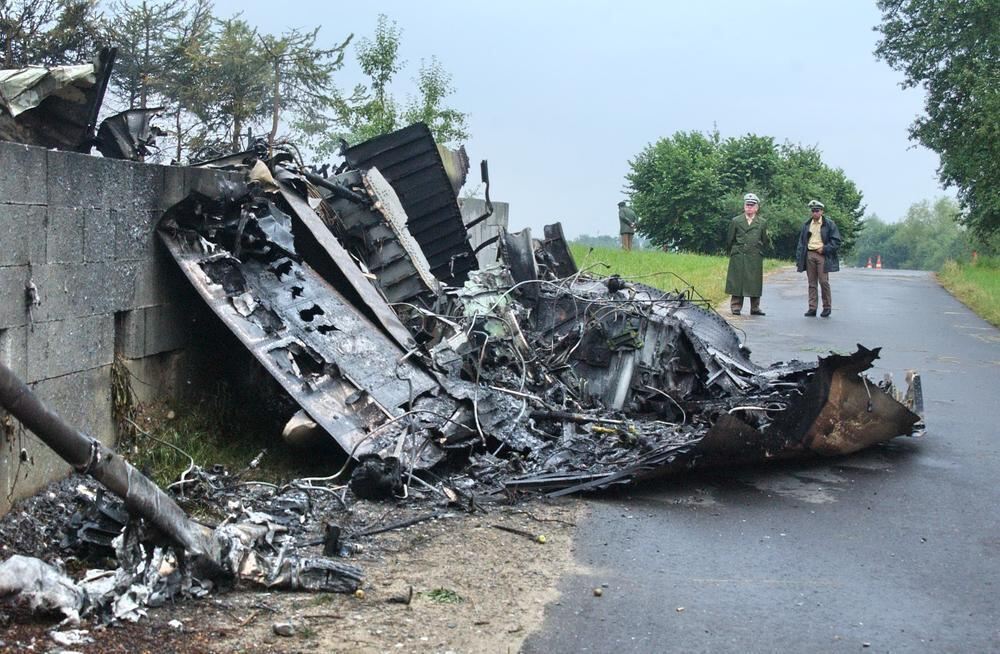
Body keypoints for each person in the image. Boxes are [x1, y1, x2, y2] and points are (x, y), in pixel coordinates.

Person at [795, 200, 842, 317]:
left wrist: (825, 249)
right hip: (809, 254)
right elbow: (801, 243)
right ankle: (812, 308)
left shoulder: (829, 224)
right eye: (813, 211)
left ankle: (827, 307)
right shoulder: (807, 225)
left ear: (822, 211)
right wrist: (799, 258)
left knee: (823, 282)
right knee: (812, 283)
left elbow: (836, 241)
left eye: (817, 210)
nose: (815, 213)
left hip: (822, 255)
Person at [725, 192, 769, 315]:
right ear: (744, 206)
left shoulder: (762, 222)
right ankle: (736, 307)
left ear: (756, 207)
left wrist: (759, 251)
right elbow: (730, 239)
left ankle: (755, 308)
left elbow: (765, 240)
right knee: (737, 281)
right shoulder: (736, 221)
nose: (749, 207)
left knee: (754, 282)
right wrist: (733, 252)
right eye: (747, 205)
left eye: (751, 205)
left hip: (754, 255)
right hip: (739, 255)